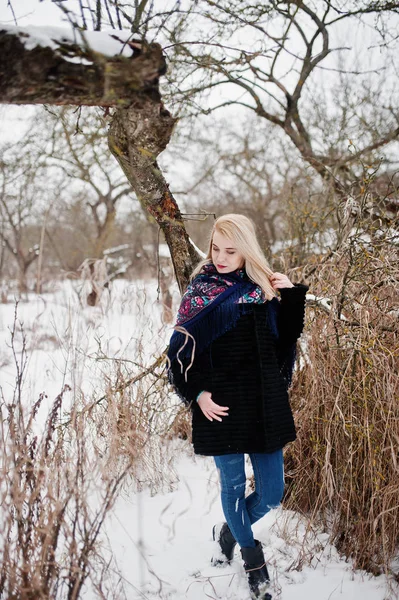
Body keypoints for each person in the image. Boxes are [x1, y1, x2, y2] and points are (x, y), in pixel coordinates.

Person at [167, 214, 308, 600]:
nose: (222, 257)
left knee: (271, 493)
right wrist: (197, 395)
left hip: (263, 402)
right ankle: (253, 561)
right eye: (216, 249)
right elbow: (179, 353)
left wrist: (290, 296)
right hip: (220, 405)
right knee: (231, 487)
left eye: (231, 250)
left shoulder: (262, 291)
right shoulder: (201, 293)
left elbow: (283, 344)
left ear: (247, 250)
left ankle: (229, 530)